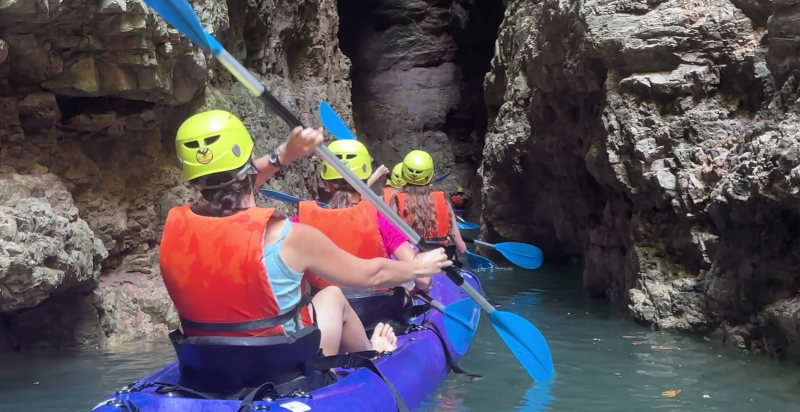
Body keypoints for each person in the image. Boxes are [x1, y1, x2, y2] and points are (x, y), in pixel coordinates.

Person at [158, 110, 451, 357]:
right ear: (248, 166)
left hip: (208, 365)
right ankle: (372, 354)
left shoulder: (175, 229)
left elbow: (229, 189)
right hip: (280, 367)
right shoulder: (292, 237)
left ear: (192, 180)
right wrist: (417, 267)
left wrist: (284, 154)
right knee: (332, 295)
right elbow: (371, 275)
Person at [295, 140, 431, 296]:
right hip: (378, 306)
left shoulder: (301, 223)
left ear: (328, 184)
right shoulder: (379, 219)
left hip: (325, 306)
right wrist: (421, 289)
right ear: (365, 181)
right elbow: (423, 279)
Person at [391, 150, 467, 254]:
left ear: (404, 173)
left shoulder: (396, 202)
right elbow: (461, 248)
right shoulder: (443, 201)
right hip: (441, 258)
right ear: (430, 174)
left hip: (412, 258)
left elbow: (393, 240)